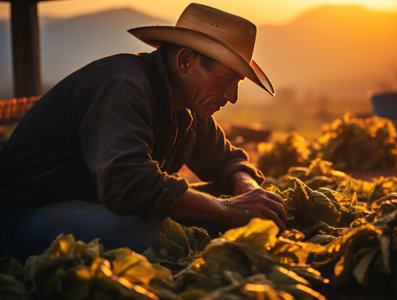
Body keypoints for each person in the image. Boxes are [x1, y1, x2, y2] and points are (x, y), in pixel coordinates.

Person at [0, 3, 286, 262]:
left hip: (93, 205)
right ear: (186, 61)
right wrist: (229, 211)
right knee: (158, 238)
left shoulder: (188, 104)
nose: (232, 96)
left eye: (237, 83)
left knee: (228, 203)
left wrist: (246, 187)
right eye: (226, 79)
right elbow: (130, 183)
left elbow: (227, 159)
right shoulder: (122, 85)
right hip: (25, 214)